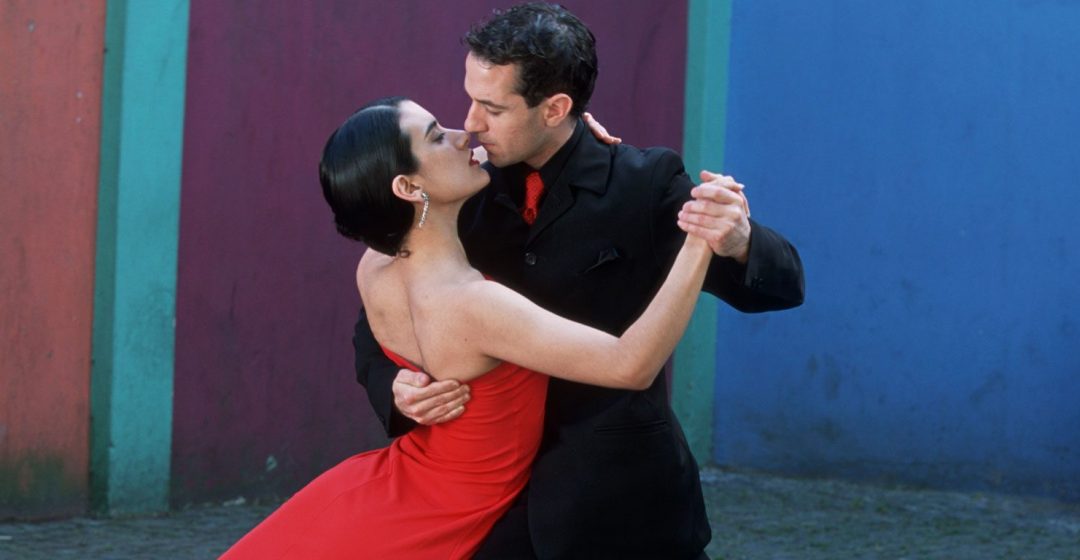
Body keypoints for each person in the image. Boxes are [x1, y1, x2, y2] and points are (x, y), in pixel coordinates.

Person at [352, 3, 805, 559]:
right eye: (470, 97)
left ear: (556, 108)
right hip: (489, 515)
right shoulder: (454, 192)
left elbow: (782, 289)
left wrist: (738, 240)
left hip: (624, 511)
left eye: (492, 107)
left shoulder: (645, 183)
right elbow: (375, 329)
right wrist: (394, 389)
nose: (470, 122)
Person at [222, 97, 714, 559]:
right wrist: (699, 242)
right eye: (436, 137)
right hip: (439, 516)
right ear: (408, 188)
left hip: (388, 487)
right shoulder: (473, 306)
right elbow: (631, 364)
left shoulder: (374, 267)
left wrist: (567, 140)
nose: (464, 134)